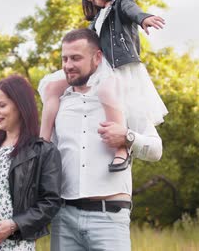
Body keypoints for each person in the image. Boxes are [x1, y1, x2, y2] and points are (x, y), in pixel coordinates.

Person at [39, 0, 167, 172]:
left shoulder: (121, 3)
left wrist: (143, 18)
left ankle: (121, 150)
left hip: (118, 66)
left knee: (106, 91)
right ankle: (43, 142)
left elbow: (132, 12)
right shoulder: (97, 18)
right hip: (98, 65)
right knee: (51, 86)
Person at [49, 29, 163, 251]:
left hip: (109, 219)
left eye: (76, 58)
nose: (68, 65)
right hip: (64, 220)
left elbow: (156, 149)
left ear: (97, 58)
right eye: (64, 58)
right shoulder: (58, 103)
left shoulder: (122, 97)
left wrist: (127, 137)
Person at [0, 75, 62, 250]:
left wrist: (13, 224)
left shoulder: (42, 151)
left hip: (13, 245)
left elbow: (50, 202)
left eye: (2, 105)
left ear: (20, 106)